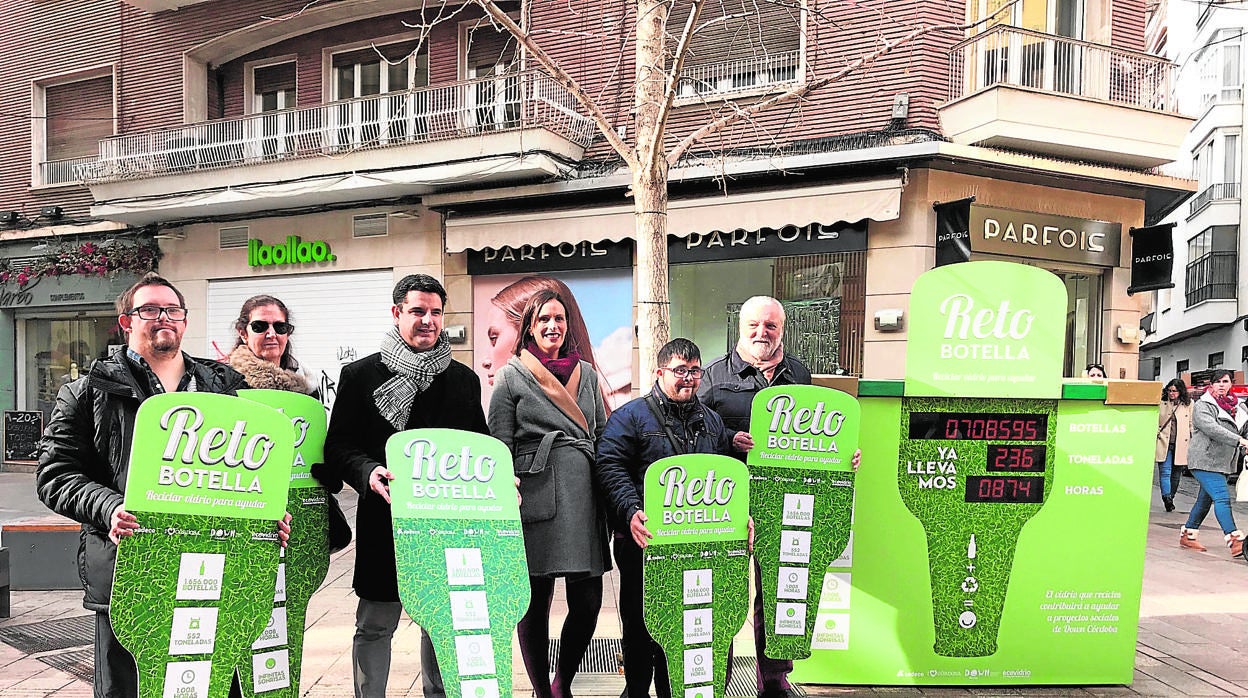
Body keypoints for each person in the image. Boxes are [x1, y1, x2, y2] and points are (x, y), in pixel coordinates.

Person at [34, 273, 289, 697]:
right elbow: (55, 474)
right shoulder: (86, 391)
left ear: (185, 322)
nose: (162, 318)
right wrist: (109, 507)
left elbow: (253, 473)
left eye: (172, 310)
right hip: (128, 572)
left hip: (217, 569)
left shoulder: (227, 389)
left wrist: (267, 514)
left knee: (213, 684)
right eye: (149, 310)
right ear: (126, 322)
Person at [324, 274, 489, 698]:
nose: (428, 321)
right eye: (418, 311)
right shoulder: (360, 375)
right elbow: (339, 445)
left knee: (441, 623)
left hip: (447, 525)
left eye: (435, 312)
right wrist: (368, 472)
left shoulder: (463, 380)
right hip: (386, 520)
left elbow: (480, 445)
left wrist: (500, 480)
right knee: (376, 623)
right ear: (397, 313)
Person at [597, 338, 741, 698]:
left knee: (685, 629)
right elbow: (610, 465)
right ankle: (636, 691)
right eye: (680, 371)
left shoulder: (711, 421)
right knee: (641, 628)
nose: (689, 379)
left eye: (695, 371)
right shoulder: (630, 416)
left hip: (696, 548)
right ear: (660, 372)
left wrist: (743, 519)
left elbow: (725, 474)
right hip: (644, 544)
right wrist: (630, 511)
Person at [487, 288, 609, 698]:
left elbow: (603, 434)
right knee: (534, 600)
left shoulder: (587, 374)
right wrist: (507, 488)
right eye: (544, 321)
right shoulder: (512, 374)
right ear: (530, 329)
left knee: (589, 600)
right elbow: (499, 441)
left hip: (584, 492)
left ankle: (564, 681)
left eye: (559, 319)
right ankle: (542, 689)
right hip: (534, 492)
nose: (553, 327)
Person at [698, 296, 807, 698]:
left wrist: (842, 454)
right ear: (740, 328)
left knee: (778, 592)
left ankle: (775, 682)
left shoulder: (798, 374)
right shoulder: (712, 377)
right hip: (726, 502)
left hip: (781, 500)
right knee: (721, 592)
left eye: (771, 326)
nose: (762, 333)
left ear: (782, 329)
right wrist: (729, 440)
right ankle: (715, 678)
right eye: (754, 326)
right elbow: (697, 435)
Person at [480, 275, 621, 412]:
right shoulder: (508, 381)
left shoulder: (587, 376)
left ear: (527, 330)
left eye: (494, 338)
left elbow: (599, 430)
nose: (485, 361)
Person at [1179, 369, 1248, 557]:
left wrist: (1245, 444)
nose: (1221, 385)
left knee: (1204, 500)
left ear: (1231, 383)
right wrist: (1240, 441)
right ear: (1211, 384)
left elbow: (1244, 431)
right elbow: (1213, 429)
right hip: (1204, 460)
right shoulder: (1203, 405)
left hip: (1224, 462)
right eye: (1217, 382)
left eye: (1225, 381)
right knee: (1221, 497)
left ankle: (1188, 534)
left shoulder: (1239, 407)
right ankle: (1234, 540)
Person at [226, 294, 319, 395]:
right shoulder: (225, 383)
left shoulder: (308, 384)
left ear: (287, 334)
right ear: (243, 333)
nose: (271, 334)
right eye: (259, 326)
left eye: (280, 327)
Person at [1156, 378, 1192, 513]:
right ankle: (1166, 498)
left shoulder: (1188, 404)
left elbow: (1191, 424)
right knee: (1165, 472)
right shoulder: (1162, 403)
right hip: (1164, 442)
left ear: (1180, 391)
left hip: (1181, 444)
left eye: (1175, 391)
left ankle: (1171, 496)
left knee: (1176, 474)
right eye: (1170, 391)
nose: (1172, 393)